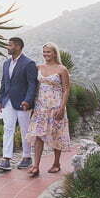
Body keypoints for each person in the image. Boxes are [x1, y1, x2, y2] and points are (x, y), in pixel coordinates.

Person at [25, 41, 71, 177]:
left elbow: (66, 89)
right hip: (41, 107)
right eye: (44, 52)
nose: (46, 54)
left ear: (55, 53)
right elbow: (32, 85)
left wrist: (62, 107)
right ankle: (35, 166)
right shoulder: (39, 67)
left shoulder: (62, 69)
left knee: (56, 134)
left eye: (48, 52)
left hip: (56, 106)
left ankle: (56, 163)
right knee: (38, 135)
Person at [0, 37, 38, 171]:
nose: (7, 47)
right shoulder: (6, 63)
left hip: (23, 102)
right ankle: (6, 159)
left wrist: (28, 100)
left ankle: (27, 157)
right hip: (7, 101)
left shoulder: (29, 63)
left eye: (10, 45)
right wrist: (0, 100)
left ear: (18, 46)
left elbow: (32, 85)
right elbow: (4, 82)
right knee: (8, 128)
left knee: (25, 130)